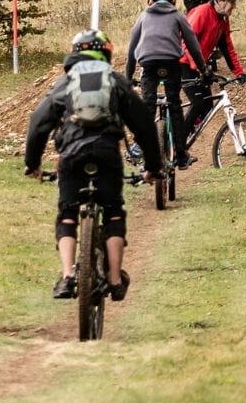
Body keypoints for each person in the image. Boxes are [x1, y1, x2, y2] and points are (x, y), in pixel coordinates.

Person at [24, 29, 163, 301]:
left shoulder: (66, 82)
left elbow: (39, 122)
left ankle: (67, 277)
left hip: (71, 156)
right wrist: (152, 167)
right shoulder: (115, 80)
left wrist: (33, 164)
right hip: (106, 154)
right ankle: (113, 279)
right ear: (107, 53)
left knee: (67, 212)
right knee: (112, 212)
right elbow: (145, 127)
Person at [124, 0, 206, 169]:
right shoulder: (178, 16)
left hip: (149, 64)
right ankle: (181, 156)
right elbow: (193, 45)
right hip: (171, 63)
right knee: (175, 105)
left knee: (148, 106)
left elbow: (131, 50)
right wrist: (204, 69)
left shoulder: (143, 17)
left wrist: (128, 77)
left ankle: (142, 150)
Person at [179, 0, 246, 142]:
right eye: (232, 3)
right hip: (183, 63)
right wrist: (199, 67)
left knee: (207, 107)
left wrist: (239, 72)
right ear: (220, 0)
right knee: (197, 103)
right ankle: (178, 144)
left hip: (200, 66)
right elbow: (187, 42)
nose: (234, 7)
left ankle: (184, 133)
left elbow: (227, 47)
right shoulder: (202, 13)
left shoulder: (223, 20)